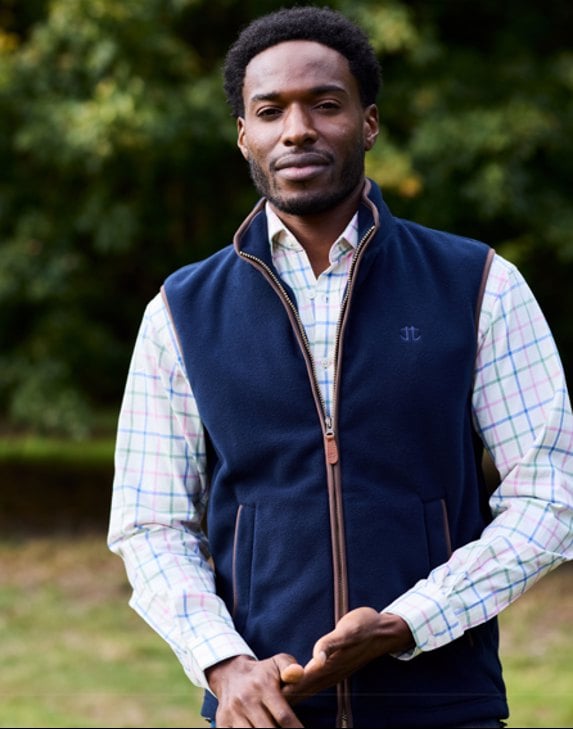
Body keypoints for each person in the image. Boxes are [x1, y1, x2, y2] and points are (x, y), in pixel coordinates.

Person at [107, 5, 573, 728]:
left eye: (325, 104)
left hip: (443, 706)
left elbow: (550, 495)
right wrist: (224, 663)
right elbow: (150, 522)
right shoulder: (180, 311)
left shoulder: (479, 283)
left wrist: (408, 620)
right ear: (244, 135)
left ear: (368, 123)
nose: (297, 129)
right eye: (270, 111)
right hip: (264, 711)